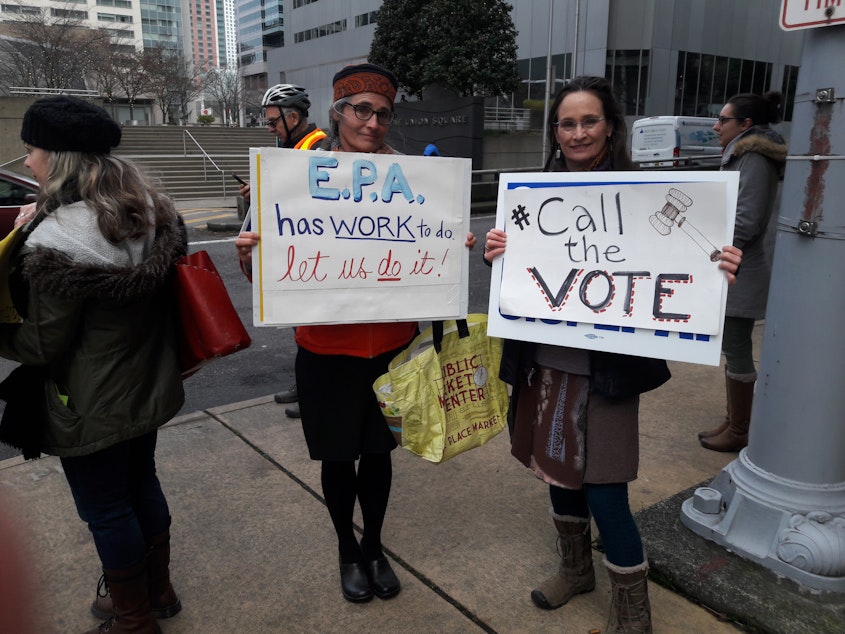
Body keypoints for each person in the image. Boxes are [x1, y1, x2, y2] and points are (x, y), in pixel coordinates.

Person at [482, 77, 742, 633]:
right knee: (556, 473)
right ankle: (576, 571)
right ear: (555, 132)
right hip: (545, 362)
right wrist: (494, 255)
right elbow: (516, 278)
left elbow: (689, 259)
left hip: (608, 372)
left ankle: (632, 605)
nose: (577, 133)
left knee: (605, 486)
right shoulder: (532, 197)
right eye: (566, 123)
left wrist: (716, 266)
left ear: (610, 128)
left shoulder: (648, 195)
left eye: (589, 121)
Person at [236, 62, 476, 603]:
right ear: (338, 113)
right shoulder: (294, 176)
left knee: (381, 456)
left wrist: (449, 248)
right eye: (361, 109)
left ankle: (375, 546)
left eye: (383, 113)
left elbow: (435, 249)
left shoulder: (418, 179)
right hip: (325, 351)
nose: (372, 122)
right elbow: (264, 273)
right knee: (338, 458)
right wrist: (251, 256)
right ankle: (347, 547)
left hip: (393, 350)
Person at [0, 96, 185, 634]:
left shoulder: (63, 238)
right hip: (145, 385)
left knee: (106, 508)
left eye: (31, 150)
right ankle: (160, 590)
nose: (27, 162)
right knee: (141, 485)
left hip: (89, 400)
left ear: (58, 159)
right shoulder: (147, 210)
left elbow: (40, 345)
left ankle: (133, 618)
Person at [698, 91, 786, 453]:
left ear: (745, 125)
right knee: (732, 346)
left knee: (735, 347)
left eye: (723, 120)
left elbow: (745, 220)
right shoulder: (746, 155)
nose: (716, 126)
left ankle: (740, 428)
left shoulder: (751, 157)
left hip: (740, 270)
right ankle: (736, 419)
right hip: (738, 267)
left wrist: (707, 251)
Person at [238, 84, 329, 419]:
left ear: (294, 117)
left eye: (274, 121)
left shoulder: (319, 146)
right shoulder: (294, 146)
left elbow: (309, 201)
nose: (270, 127)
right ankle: (305, 387)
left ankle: (313, 395)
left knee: (311, 331)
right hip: (296, 254)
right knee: (300, 329)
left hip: (313, 257)